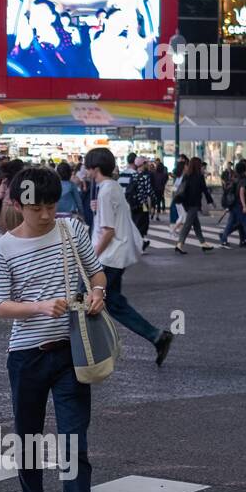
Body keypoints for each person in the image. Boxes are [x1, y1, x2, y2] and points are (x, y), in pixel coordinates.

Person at [0, 165, 107, 492]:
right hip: (26, 356)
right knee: (29, 436)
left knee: (75, 441)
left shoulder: (72, 231)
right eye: (38, 207)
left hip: (72, 353)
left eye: (52, 205)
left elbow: (97, 273)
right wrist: (39, 306)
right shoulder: (2, 248)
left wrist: (98, 293)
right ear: (20, 204)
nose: (46, 214)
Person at [84, 148, 174, 365]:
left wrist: (90, 258)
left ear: (95, 169)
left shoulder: (105, 191)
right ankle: (155, 336)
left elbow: (108, 231)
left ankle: (89, 350)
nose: (85, 171)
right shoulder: (112, 187)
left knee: (87, 300)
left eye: (87, 167)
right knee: (112, 302)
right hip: (116, 255)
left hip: (108, 257)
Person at [174, 157, 215, 253]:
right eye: (200, 164)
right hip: (194, 203)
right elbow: (205, 190)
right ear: (198, 165)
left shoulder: (187, 175)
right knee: (188, 224)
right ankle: (179, 244)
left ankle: (203, 243)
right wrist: (211, 202)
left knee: (196, 224)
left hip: (186, 203)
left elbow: (183, 189)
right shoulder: (199, 176)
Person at [218, 159, 246, 249]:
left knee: (231, 223)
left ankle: (223, 239)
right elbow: (241, 191)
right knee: (245, 223)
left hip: (233, 204)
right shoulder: (243, 180)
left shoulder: (235, 179)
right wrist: (244, 206)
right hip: (239, 204)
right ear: (244, 169)